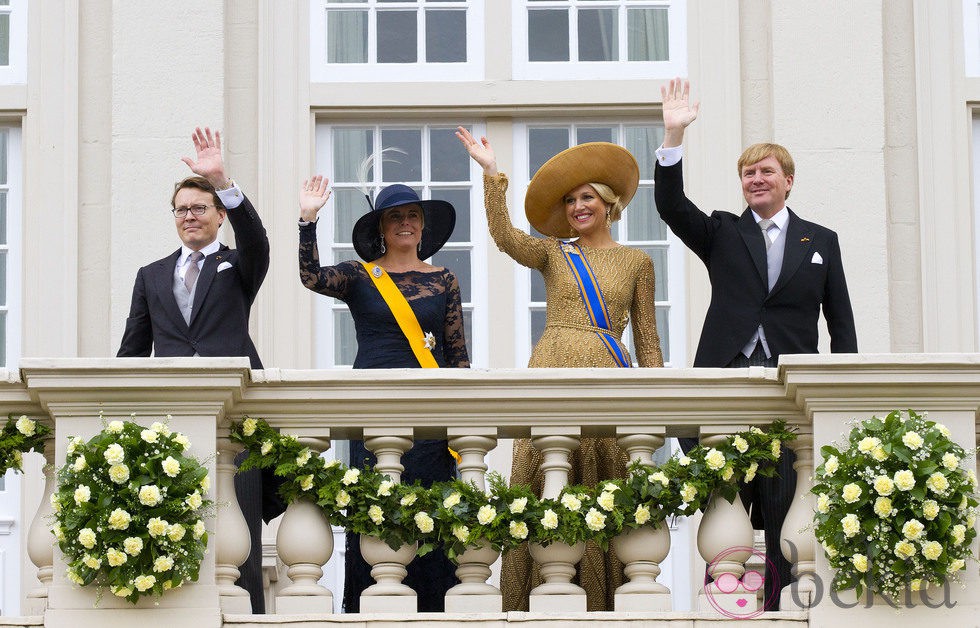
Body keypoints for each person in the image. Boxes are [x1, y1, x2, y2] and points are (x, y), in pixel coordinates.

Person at [655, 78, 858, 610]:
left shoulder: (822, 241)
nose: (756, 179)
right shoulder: (723, 231)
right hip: (725, 380)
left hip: (786, 389)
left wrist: (845, 397)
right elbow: (671, 204)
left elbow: (841, 323)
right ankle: (729, 612)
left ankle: (786, 609)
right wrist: (673, 135)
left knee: (788, 508)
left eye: (767, 171)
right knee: (728, 515)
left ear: (788, 181)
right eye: (748, 173)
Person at [456, 127, 663, 612]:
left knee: (603, 490)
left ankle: (604, 603)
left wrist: (655, 399)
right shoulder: (554, 251)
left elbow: (648, 339)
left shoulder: (637, 261)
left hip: (609, 376)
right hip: (552, 367)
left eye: (587, 197)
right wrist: (491, 175)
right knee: (545, 481)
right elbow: (505, 238)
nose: (578, 207)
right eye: (570, 201)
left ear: (609, 202)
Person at [116, 127, 285, 613]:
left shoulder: (239, 264)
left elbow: (259, 241)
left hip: (237, 420)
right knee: (171, 528)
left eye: (200, 207)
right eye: (182, 209)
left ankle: (247, 615)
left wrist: (222, 179)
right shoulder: (150, 275)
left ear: (219, 215)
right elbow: (132, 351)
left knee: (240, 534)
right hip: (170, 424)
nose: (189, 216)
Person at [297, 175, 469, 612]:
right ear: (381, 228)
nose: (406, 223)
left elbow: (457, 355)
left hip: (430, 418)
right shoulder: (359, 275)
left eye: (413, 215)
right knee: (376, 514)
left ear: (424, 226)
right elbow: (312, 277)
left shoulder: (444, 278)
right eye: (396, 217)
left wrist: (462, 421)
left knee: (433, 518)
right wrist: (308, 219)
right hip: (373, 408)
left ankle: (435, 614)